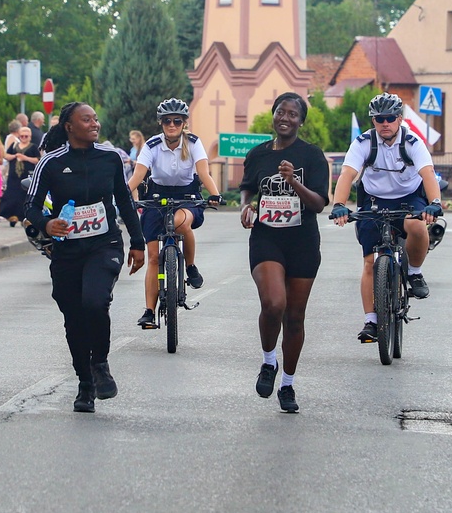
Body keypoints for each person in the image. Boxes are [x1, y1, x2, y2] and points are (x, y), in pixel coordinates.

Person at [24, 102, 145, 413]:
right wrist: (47, 224)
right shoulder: (51, 163)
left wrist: (138, 243)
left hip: (104, 244)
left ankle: (101, 364)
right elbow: (31, 208)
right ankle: (85, 382)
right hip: (66, 251)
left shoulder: (110, 158)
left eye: (95, 119)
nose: (95, 124)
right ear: (69, 126)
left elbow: (125, 202)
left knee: (95, 302)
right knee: (74, 319)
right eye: (86, 119)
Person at [240, 93, 329, 413]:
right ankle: (268, 361)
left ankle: (288, 384)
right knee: (274, 303)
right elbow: (248, 188)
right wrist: (246, 206)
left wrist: (294, 181)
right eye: (281, 111)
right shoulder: (257, 154)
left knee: (294, 318)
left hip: (302, 240)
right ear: (273, 116)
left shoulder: (312, 155)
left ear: (300, 121)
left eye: (293, 114)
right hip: (267, 238)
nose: (286, 118)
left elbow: (319, 203)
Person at [330, 93, 443, 343]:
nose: (385, 124)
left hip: (408, 196)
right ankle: (371, 320)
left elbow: (428, 174)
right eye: (379, 119)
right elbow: (348, 174)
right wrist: (339, 204)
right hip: (373, 199)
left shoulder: (412, 142)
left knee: (417, 225)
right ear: (373, 121)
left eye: (390, 118)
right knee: (370, 262)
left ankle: (414, 272)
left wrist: (434, 204)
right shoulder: (363, 143)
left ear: (399, 119)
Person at [128, 98, 223, 328]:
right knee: (152, 256)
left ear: (184, 123)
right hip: (156, 197)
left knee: (181, 224)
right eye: (167, 121)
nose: (172, 125)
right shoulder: (151, 145)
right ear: (161, 123)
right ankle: (149, 311)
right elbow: (138, 175)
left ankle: (189, 266)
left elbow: (204, 172)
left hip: (187, 197)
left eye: (177, 121)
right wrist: (122, 197)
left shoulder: (193, 143)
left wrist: (215, 194)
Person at [2, 126, 40, 227]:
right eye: (22, 136)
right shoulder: (14, 145)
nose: (24, 137)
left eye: (26, 136)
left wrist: (25, 158)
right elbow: (6, 156)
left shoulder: (33, 147)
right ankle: (12, 216)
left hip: (27, 175)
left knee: (25, 196)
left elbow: (38, 159)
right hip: (14, 176)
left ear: (30, 136)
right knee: (12, 195)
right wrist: (15, 156)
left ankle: (25, 217)